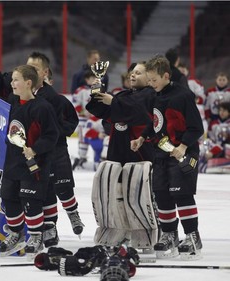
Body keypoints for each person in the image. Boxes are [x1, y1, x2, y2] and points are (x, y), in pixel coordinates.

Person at [0, 51, 84, 246]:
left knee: (57, 189)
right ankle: (38, 231)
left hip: (52, 152)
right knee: (31, 193)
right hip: (24, 155)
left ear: (44, 73)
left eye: (35, 68)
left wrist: (47, 134)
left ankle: (54, 224)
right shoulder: (16, 93)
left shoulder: (54, 99)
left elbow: (67, 124)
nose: (30, 70)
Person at [131, 55, 204, 260]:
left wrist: (182, 146)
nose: (151, 83)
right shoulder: (155, 96)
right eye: (150, 79)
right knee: (161, 194)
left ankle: (192, 237)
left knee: (182, 195)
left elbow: (197, 128)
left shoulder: (183, 96)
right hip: (160, 154)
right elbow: (156, 122)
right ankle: (170, 235)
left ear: (166, 76)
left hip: (182, 154)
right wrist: (142, 137)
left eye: (154, 79)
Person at [0, 65, 59, 256]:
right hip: (13, 161)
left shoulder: (43, 107)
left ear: (28, 83)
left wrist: (34, 149)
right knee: (9, 197)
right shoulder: (13, 101)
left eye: (15, 80)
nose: (12, 84)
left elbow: (52, 136)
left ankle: (35, 235)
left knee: (30, 199)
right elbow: (1, 110)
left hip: (34, 164)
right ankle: (16, 233)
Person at [86, 62, 157, 251]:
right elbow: (99, 110)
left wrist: (114, 102)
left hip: (139, 153)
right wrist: (97, 89)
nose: (133, 76)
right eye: (132, 73)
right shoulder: (123, 95)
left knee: (137, 194)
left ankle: (144, 233)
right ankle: (117, 230)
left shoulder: (151, 95)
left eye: (138, 73)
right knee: (113, 193)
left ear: (149, 77)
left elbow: (139, 111)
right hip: (116, 151)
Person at [71, 70, 100, 170]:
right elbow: (75, 101)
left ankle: (98, 158)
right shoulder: (81, 90)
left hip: (95, 119)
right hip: (83, 119)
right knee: (83, 139)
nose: (94, 80)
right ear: (87, 80)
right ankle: (82, 157)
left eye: (95, 78)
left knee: (95, 138)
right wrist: (82, 111)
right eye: (92, 78)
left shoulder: (98, 89)